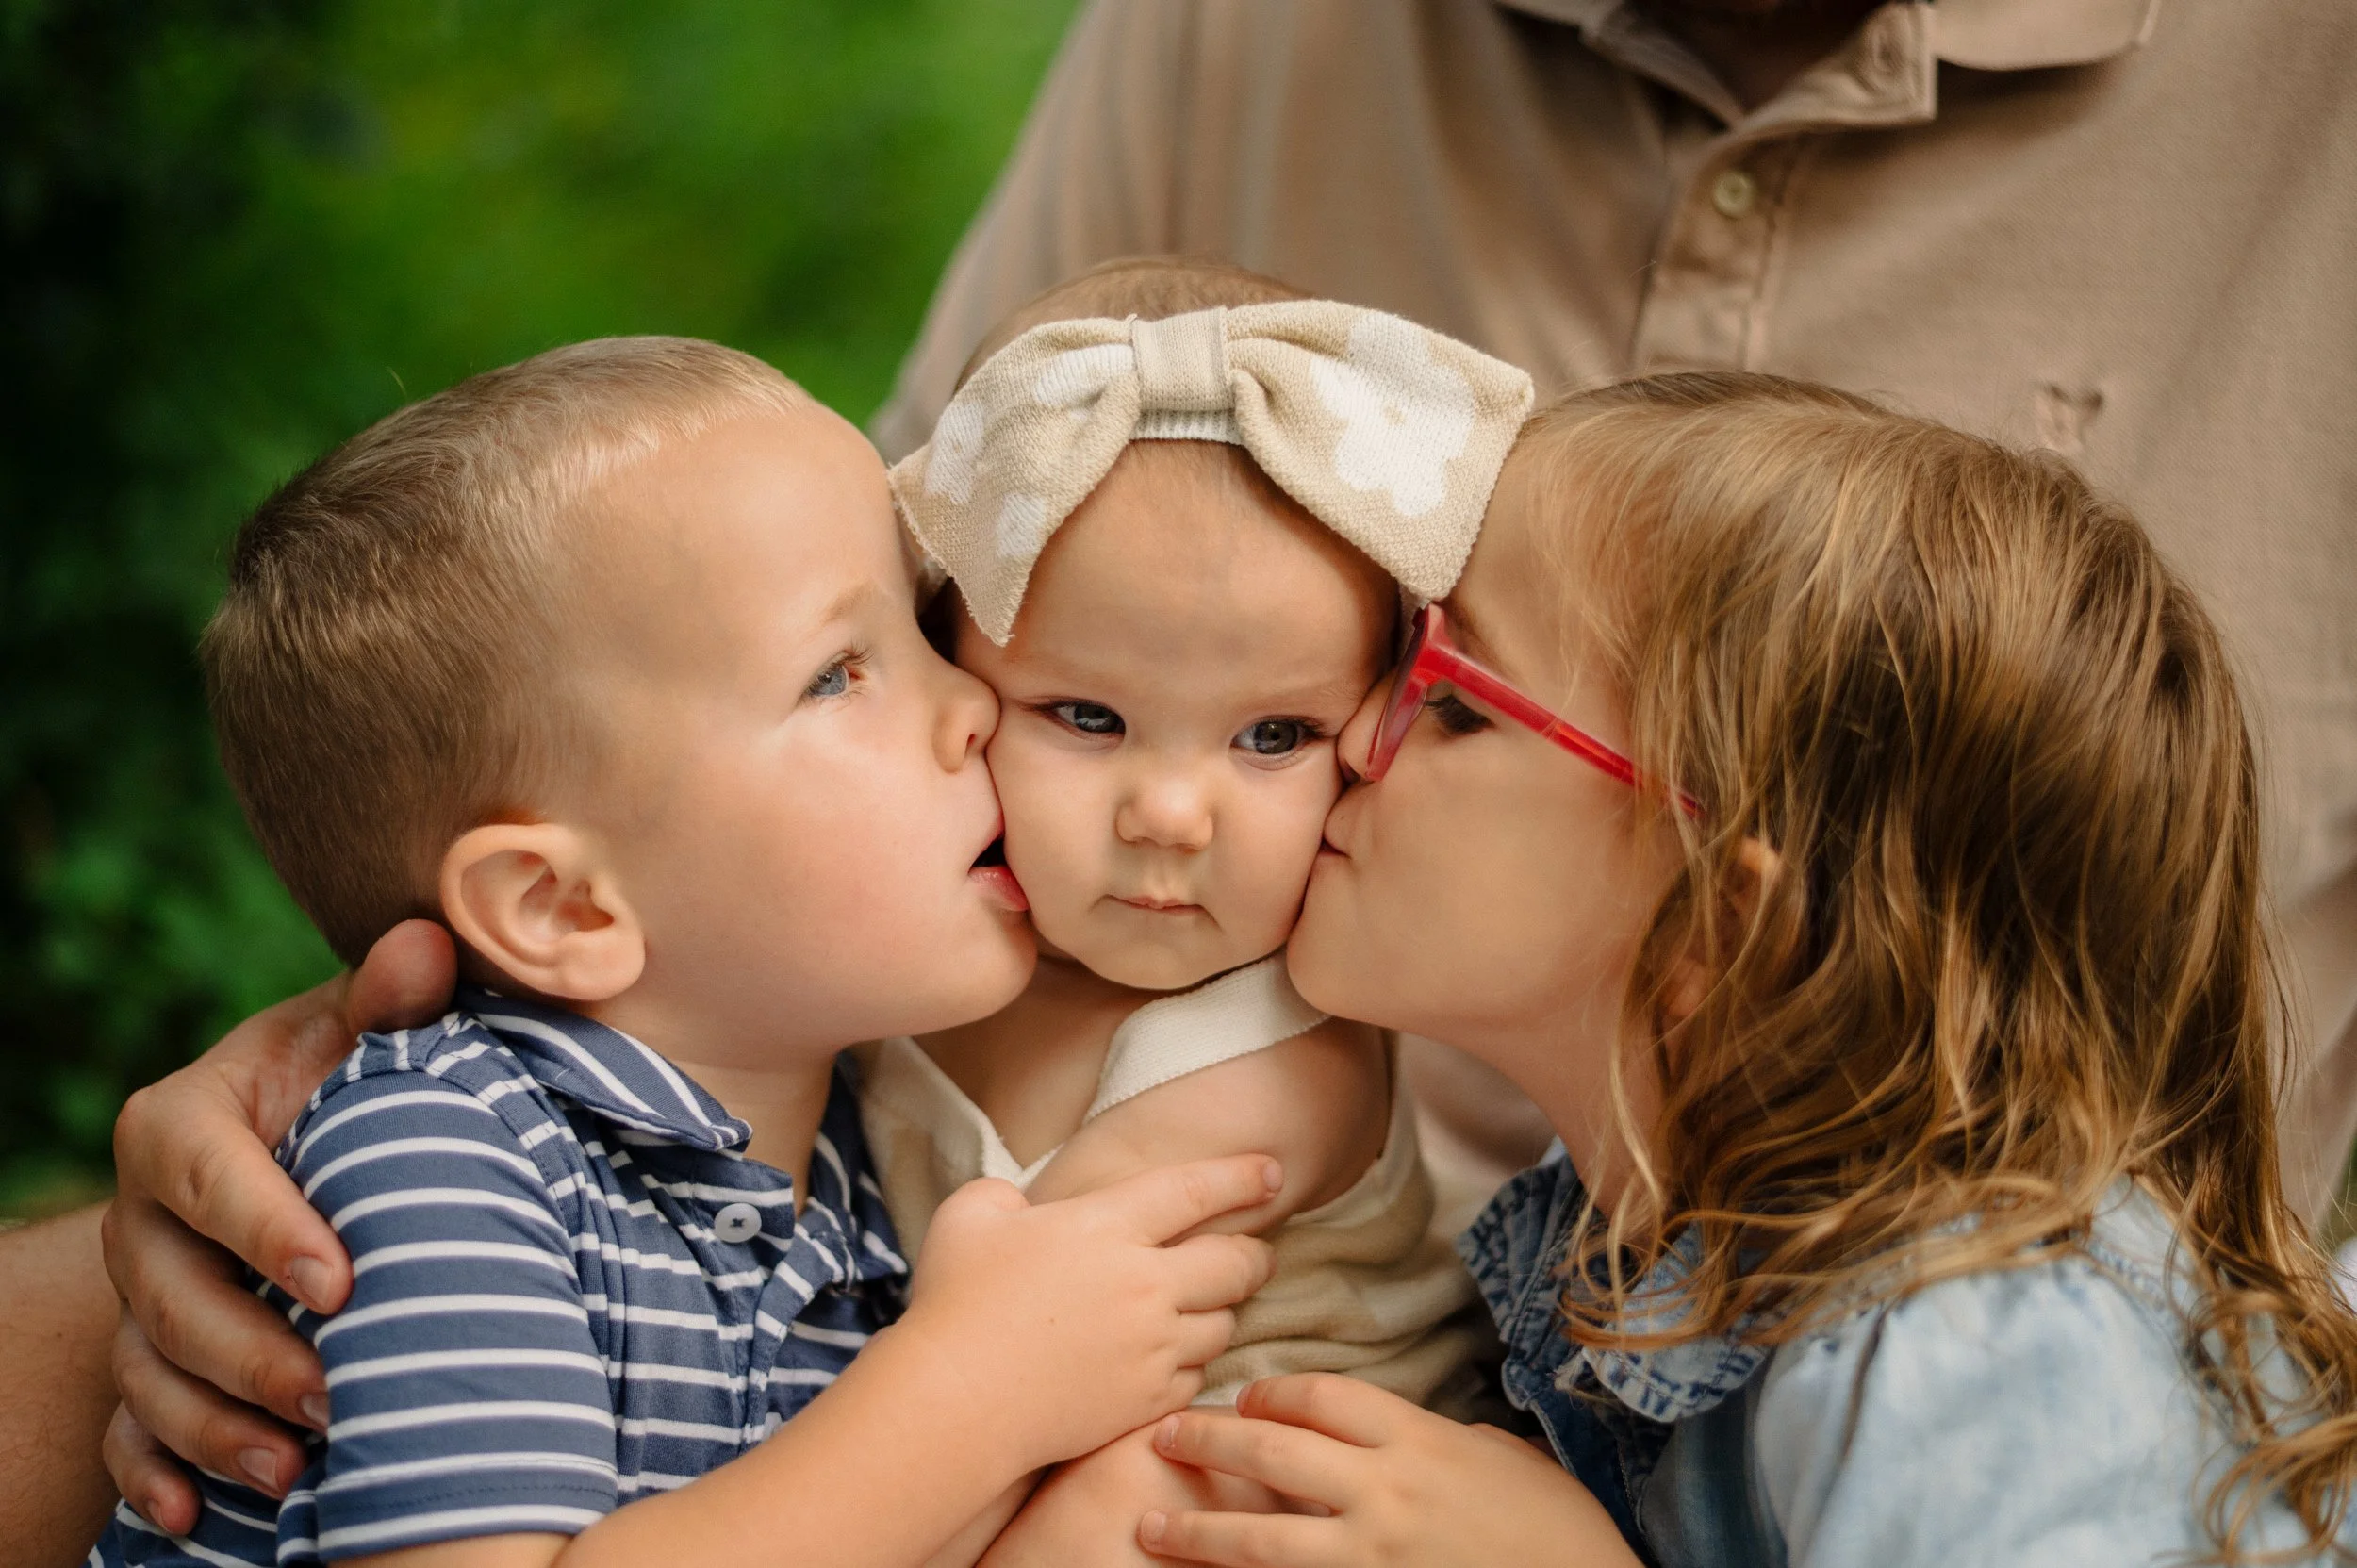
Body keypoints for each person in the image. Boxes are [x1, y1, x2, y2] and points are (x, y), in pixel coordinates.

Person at [869, 0, 2357, 1227]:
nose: (1366, 735)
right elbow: (894, 604)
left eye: (1299, 723)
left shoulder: (1939, 1358)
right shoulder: (1556, 1292)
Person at [92, 334, 1282, 1568]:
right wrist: (970, 1395)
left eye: (926, 629)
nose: (977, 700)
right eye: (838, 673)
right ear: (564, 908)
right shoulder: (448, 1152)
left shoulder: (842, 1150)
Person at [1129, 372, 2357, 1564]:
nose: (1350, 734)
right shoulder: (1627, 1232)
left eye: (1455, 701)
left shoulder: (1981, 1340)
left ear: (1723, 926)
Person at [862, 256, 1525, 1562]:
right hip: (983, 1436)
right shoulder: (907, 939)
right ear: (946, 669)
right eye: (1088, 717)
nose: (1172, 812)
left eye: (1273, 733)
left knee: (1143, 1494)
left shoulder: (1270, 1060)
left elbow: (1011, 1384)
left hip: (1288, 1490)